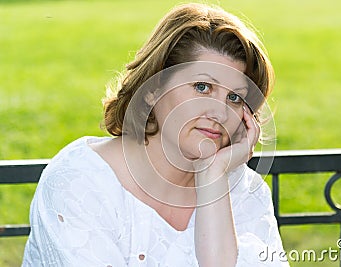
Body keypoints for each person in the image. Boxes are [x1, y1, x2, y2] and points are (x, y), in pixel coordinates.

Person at [22, 3, 289, 266]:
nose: (219, 113)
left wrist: (212, 175)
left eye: (234, 97)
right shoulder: (79, 184)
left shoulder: (242, 190)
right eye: (202, 87)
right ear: (152, 89)